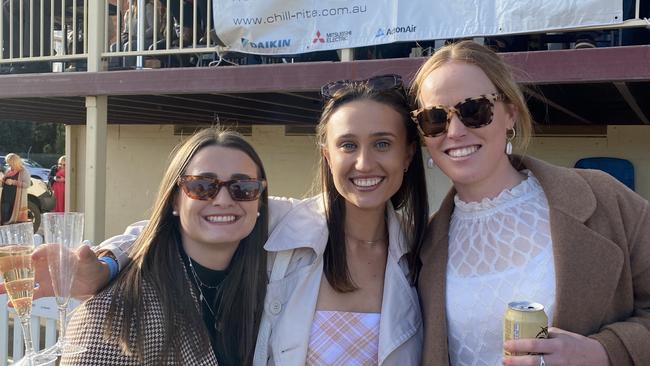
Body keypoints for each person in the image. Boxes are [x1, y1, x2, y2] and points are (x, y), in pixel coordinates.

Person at [410, 40, 650, 366]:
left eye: (473, 110)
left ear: (510, 114)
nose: (454, 131)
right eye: (435, 119)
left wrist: (607, 352)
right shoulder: (423, 246)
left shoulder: (604, 198)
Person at [60, 129, 270, 365]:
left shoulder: (273, 285)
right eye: (201, 186)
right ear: (175, 200)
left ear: (260, 200)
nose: (223, 200)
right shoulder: (118, 313)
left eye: (243, 187)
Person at [0, 153, 31, 224]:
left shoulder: (23, 171)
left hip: (16, 199)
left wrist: (13, 182)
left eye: (9, 163)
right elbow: (5, 181)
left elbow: (27, 184)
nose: (8, 165)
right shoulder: (8, 170)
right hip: (6, 197)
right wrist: (2, 179)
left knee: (14, 219)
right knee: (4, 215)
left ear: (14, 162)